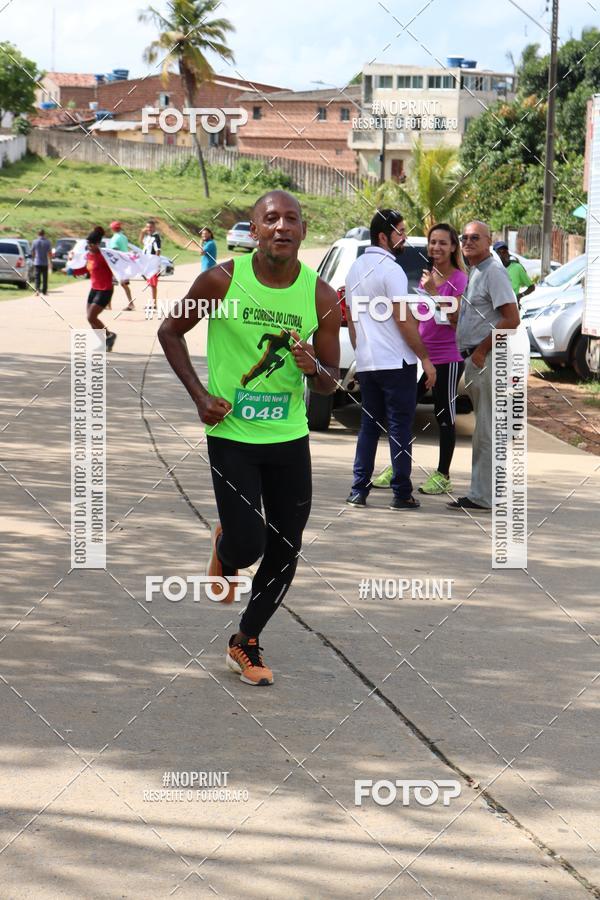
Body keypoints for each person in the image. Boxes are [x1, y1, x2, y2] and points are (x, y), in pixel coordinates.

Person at [158, 190, 340, 686]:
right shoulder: (221, 280)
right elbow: (170, 332)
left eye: (292, 219)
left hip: (288, 439)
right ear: (254, 230)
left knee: (286, 546)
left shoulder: (322, 295)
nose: (282, 227)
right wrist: (199, 396)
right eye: (271, 219)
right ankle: (228, 545)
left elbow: (331, 380)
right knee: (248, 543)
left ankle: (247, 639)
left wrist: (314, 368)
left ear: (303, 231)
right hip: (232, 435)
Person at [344, 209, 436, 511]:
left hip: (369, 363)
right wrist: (424, 357)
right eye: (400, 231)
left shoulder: (355, 269)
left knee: (369, 427)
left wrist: (361, 355)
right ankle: (401, 493)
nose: (404, 237)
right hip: (397, 363)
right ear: (384, 236)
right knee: (399, 428)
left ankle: (359, 490)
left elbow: (354, 321)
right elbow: (403, 319)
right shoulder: (391, 270)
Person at [372, 223, 468, 495]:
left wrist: (436, 292)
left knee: (443, 414)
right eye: (432, 242)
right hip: (421, 357)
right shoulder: (428, 275)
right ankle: (398, 466)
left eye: (442, 243)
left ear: (452, 247)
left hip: (447, 358)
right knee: (403, 411)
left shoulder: (459, 279)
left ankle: (443, 474)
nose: (436, 247)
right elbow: (421, 317)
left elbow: (456, 320)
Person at [448, 221, 519, 511]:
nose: (468, 241)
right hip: (476, 359)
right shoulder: (476, 271)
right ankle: (481, 492)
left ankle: (484, 496)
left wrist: (481, 350)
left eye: (475, 237)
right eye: (464, 237)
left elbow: (511, 320)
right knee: (483, 429)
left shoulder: (494, 272)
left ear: (489, 241)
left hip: (487, 360)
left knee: (487, 430)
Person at [85, 227, 117, 351]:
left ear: (98, 244)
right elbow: (87, 269)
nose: (89, 246)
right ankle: (103, 343)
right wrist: (72, 270)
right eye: (88, 243)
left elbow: (117, 266)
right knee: (90, 318)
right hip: (93, 289)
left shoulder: (105, 256)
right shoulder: (89, 255)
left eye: (91, 244)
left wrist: (123, 278)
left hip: (105, 290)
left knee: (91, 317)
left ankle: (110, 335)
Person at [493, 241, 534, 305]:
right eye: (499, 253)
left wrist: (520, 295)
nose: (503, 255)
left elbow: (531, 287)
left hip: (512, 306)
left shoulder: (517, 267)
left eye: (505, 252)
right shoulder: (491, 269)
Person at [108, 220, 134, 311]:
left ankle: (109, 305)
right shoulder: (124, 237)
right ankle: (131, 303)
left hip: (117, 265)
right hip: (124, 263)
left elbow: (115, 251)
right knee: (125, 285)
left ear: (113, 229)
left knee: (111, 285)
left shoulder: (114, 238)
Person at [140, 219, 162, 306]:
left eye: (151, 227)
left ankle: (154, 303)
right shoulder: (148, 236)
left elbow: (158, 250)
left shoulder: (156, 237)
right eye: (147, 227)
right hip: (146, 263)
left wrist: (155, 263)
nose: (149, 228)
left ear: (154, 227)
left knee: (153, 284)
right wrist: (142, 232)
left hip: (152, 263)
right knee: (150, 283)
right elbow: (141, 242)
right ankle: (153, 302)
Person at [31, 229, 52, 294]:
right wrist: (50, 261)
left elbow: (33, 251)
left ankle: (37, 290)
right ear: (44, 234)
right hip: (45, 262)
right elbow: (49, 253)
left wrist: (33, 258)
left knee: (37, 277)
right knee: (45, 277)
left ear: (38, 234)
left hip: (37, 262)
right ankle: (44, 291)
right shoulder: (47, 242)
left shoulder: (35, 242)